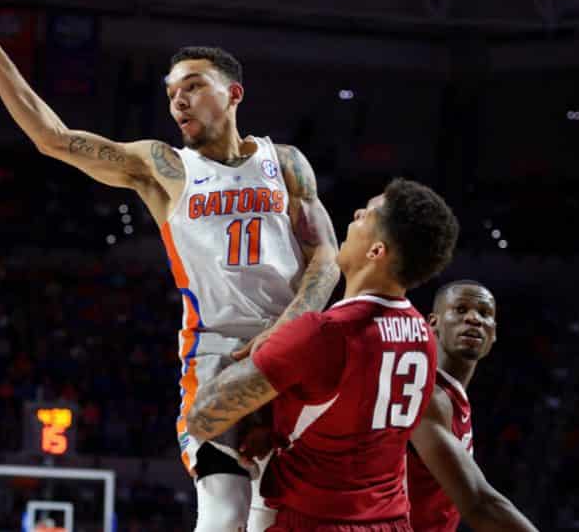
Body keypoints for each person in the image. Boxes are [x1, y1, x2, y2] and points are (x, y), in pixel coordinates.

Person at [0, 5, 340, 531]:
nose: (178, 100)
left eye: (192, 86)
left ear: (234, 93)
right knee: (222, 506)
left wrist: (285, 332)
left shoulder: (285, 162)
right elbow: (53, 138)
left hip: (294, 346)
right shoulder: (162, 166)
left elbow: (325, 258)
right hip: (217, 351)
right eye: (171, 93)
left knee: (274, 516)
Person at [186, 178, 460, 531]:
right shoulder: (422, 334)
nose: (357, 214)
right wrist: (276, 425)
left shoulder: (324, 334)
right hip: (388, 519)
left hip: (315, 520)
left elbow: (204, 416)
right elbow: (346, 415)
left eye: (368, 214)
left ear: (376, 251)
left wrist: (226, 354)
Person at [406, 281, 538, 532]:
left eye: (485, 313)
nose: (474, 319)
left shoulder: (453, 398)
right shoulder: (426, 393)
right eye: (461, 309)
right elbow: (479, 504)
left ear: (494, 333)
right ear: (433, 323)